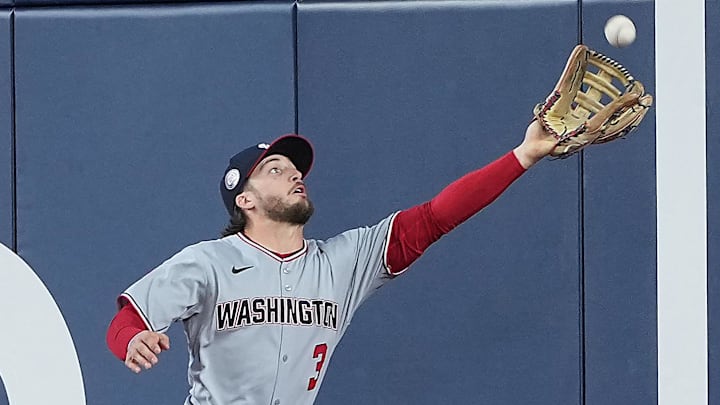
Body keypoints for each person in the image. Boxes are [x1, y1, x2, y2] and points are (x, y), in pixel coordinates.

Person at [106, 120, 558, 405]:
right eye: (275, 169)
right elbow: (128, 318)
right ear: (245, 199)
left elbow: (436, 216)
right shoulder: (207, 263)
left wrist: (523, 156)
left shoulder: (342, 261)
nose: (295, 175)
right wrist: (131, 339)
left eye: (295, 169)